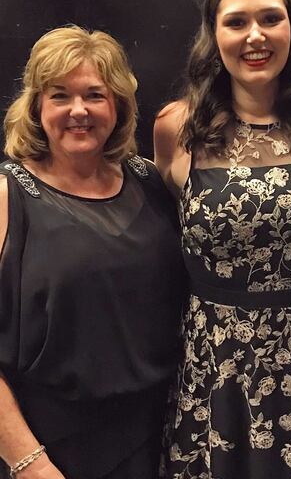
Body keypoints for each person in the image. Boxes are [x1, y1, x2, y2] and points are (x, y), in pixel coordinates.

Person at [154, 0, 291, 478]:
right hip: (216, 369)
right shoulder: (177, 127)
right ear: (213, 35)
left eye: (271, 18)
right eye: (236, 22)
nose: (255, 36)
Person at [0, 26, 185, 479]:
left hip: (158, 437)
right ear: (37, 107)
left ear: (117, 105)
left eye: (94, 95)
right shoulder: (7, 196)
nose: (78, 110)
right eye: (60, 95)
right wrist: (30, 465)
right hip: (53, 452)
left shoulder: (147, 180)